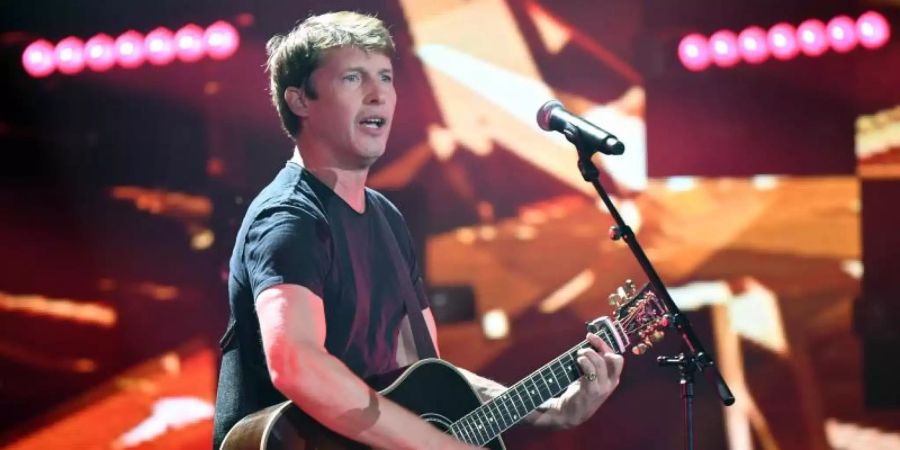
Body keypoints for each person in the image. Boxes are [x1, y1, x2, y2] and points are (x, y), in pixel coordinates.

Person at [212, 11, 624, 450]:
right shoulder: (290, 218)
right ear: (299, 101)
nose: (379, 95)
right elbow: (297, 364)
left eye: (386, 77)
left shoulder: (387, 220)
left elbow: (418, 375)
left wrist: (551, 409)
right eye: (353, 78)